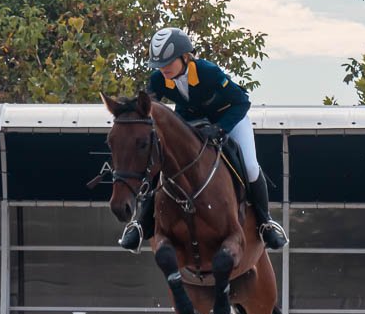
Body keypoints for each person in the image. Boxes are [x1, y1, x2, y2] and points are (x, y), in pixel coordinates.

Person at [117, 27, 287, 253]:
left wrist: (220, 129)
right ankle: (140, 224)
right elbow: (146, 106)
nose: (163, 68)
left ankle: (265, 223)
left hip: (229, 119)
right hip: (192, 123)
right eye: (159, 64)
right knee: (160, 160)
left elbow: (242, 102)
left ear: (185, 57)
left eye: (168, 62)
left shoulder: (208, 72)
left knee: (250, 166)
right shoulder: (158, 79)